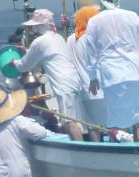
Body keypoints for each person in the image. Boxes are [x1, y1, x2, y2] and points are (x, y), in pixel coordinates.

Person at [83, 0, 139, 143]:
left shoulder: (94, 21)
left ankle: (119, 154)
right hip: (135, 71)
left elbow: (91, 53)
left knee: (116, 121)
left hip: (111, 75)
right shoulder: (132, 16)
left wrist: (93, 77)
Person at [12, 9, 87, 141]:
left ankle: (81, 151)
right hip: (74, 81)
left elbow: (25, 65)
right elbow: (46, 54)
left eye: (34, 26)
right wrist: (28, 52)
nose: (33, 30)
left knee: (69, 121)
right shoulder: (57, 37)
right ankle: (83, 145)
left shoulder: (40, 42)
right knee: (77, 120)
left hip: (63, 84)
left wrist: (14, 62)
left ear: (40, 26)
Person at [68, 0, 105, 141]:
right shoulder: (95, 37)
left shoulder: (72, 39)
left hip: (84, 89)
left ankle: (97, 151)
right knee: (111, 124)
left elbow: (70, 64)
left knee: (92, 125)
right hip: (102, 87)